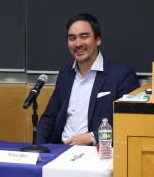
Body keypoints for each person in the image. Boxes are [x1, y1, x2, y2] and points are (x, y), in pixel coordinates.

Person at [37, 13, 139, 146]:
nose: (78, 44)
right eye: (72, 38)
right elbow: (49, 117)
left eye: (84, 37)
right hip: (60, 150)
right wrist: (41, 148)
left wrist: (93, 137)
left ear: (98, 40)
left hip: (96, 153)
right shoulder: (65, 74)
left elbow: (131, 124)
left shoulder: (121, 75)